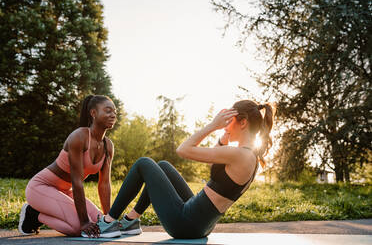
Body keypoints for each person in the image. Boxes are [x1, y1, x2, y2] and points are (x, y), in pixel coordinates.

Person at [92, 99, 275, 239]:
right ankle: (131, 221)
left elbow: (183, 150)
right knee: (162, 166)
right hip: (201, 225)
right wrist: (221, 139)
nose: (226, 125)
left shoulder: (240, 154)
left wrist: (213, 125)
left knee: (144, 163)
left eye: (230, 120)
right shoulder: (248, 156)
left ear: (242, 123)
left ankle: (108, 223)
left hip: (185, 224)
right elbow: (216, 171)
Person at [18, 95, 118, 238]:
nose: (113, 114)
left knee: (98, 223)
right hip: (41, 187)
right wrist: (84, 222)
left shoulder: (108, 146)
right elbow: (77, 181)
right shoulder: (79, 137)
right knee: (80, 228)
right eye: (108, 110)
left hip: (66, 191)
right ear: (93, 113)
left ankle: (45, 212)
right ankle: (33, 213)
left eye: (115, 111)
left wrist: (109, 218)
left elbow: (104, 184)